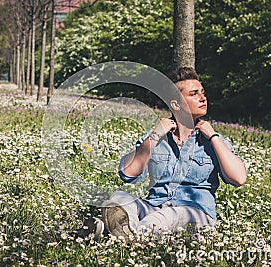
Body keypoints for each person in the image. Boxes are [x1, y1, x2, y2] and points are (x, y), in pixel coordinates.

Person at [77, 67, 247, 240]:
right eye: (194, 94)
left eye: (202, 92)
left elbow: (239, 178)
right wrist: (156, 134)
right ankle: (124, 232)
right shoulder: (157, 137)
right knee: (118, 198)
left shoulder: (214, 141)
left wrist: (213, 135)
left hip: (196, 213)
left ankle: (111, 232)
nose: (203, 98)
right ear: (175, 104)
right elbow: (127, 173)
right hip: (155, 207)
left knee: (164, 218)